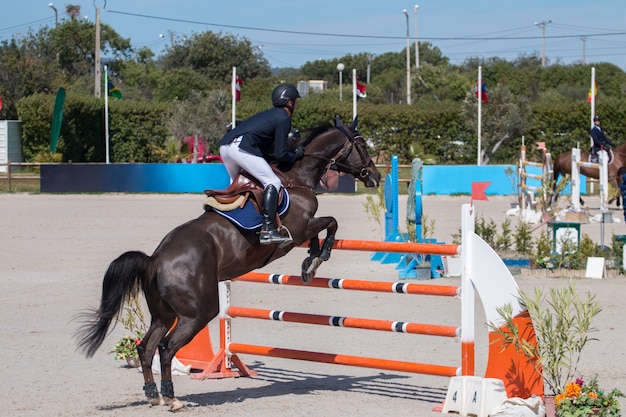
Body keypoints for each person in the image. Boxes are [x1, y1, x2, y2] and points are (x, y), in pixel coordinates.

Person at [218, 83, 304, 245]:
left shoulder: (268, 115)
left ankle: (231, 222)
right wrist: (295, 154)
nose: (296, 105)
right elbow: (281, 153)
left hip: (226, 146)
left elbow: (266, 151)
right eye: (295, 102)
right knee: (273, 181)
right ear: (290, 103)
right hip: (241, 148)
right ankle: (268, 229)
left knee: (236, 185)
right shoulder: (283, 118)